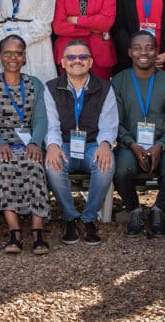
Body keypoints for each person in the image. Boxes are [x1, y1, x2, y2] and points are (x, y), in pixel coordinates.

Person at [0, 34, 50, 254]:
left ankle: (37, 229)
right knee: (3, 165)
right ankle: (14, 231)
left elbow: (41, 120)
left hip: (28, 141)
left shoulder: (35, 84)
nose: (12, 57)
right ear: (0, 56)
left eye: (17, 53)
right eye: (7, 53)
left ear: (24, 57)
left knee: (34, 163)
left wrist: (35, 142)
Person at [43, 40, 118, 246]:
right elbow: (52, 125)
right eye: (71, 57)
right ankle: (70, 217)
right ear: (63, 62)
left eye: (83, 57)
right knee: (52, 164)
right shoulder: (51, 88)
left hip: (92, 144)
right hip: (65, 144)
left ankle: (89, 218)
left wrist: (105, 144)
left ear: (91, 62)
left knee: (106, 163)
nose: (77, 61)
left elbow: (109, 124)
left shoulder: (105, 87)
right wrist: (52, 146)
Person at [111, 31, 165, 238]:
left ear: (156, 52)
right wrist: (132, 144)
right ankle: (134, 210)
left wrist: (160, 145)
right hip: (129, 145)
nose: (144, 52)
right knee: (121, 170)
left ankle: (159, 210)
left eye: (149, 48)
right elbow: (113, 123)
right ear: (129, 52)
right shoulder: (118, 81)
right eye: (138, 48)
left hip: (163, 144)